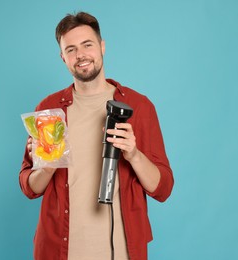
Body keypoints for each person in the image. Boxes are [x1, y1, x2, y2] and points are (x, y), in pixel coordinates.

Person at [19, 12, 174, 260]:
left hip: (122, 251)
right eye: (71, 49)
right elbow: (30, 187)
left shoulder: (139, 106)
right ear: (63, 57)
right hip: (60, 250)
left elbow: (163, 188)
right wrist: (47, 167)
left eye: (87, 45)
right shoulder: (50, 109)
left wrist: (133, 154)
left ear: (102, 47)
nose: (80, 55)